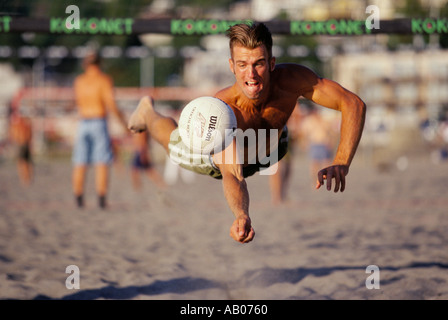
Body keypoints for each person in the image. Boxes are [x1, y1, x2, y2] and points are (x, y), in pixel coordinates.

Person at [128, 23, 366, 243]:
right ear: (232, 66)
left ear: (271, 63)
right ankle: (148, 113)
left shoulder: (291, 79)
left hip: (272, 147)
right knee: (176, 146)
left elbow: (353, 103)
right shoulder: (226, 110)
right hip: (226, 159)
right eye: (242, 65)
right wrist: (241, 215)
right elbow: (233, 174)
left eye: (258, 63)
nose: (250, 74)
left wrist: (342, 161)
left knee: (280, 145)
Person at [72, 52, 128, 209]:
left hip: (83, 122)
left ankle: (78, 198)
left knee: (80, 162)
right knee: (101, 161)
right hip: (98, 121)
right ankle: (101, 199)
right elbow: (111, 104)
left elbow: (77, 101)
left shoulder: (79, 81)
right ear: (100, 63)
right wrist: (124, 123)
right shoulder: (103, 80)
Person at [299, 104, 338, 188]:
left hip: (324, 143)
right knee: (314, 165)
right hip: (314, 144)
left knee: (327, 164)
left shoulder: (324, 120)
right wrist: (304, 143)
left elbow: (331, 132)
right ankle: (315, 181)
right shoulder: (309, 121)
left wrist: (331, 142)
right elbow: (304, 133)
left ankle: (329, 180)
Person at [9, 112, 33, 187]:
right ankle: (26, 177)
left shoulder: (19, 124)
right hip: (23, 144)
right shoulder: (23, 124)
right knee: (24, 162)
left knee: (23, 162)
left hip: (22, 144)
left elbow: (14, 135)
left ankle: (25, 178)